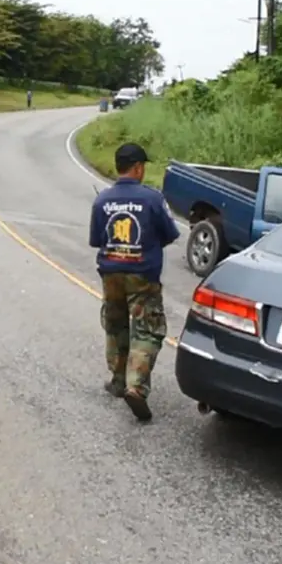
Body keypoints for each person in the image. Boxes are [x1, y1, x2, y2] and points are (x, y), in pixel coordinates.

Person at [88, 143, 180, 422]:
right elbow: (170, 234)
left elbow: (96, 240)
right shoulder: (152, 198)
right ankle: (136, 387)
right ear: (138, 167)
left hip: (111, 273)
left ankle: (117, 381)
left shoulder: (102, 200)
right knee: (147, 329)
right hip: (142, 275)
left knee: (116, 326)